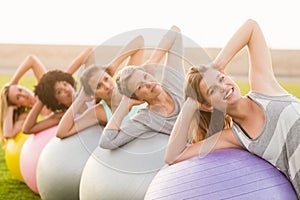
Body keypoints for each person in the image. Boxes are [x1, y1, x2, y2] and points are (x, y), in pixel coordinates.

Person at [164, 19, 300, 198]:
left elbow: (251, 27)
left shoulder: (264, 88)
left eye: (221, 78)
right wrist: (189, 105)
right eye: (212, 90)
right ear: (207, 106)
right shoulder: (235, 137)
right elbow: (173, 156)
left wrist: (216, 65)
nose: (223, 87)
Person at [99, 25, 185, 150]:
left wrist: (153, 61)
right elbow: (106, 142)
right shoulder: (145, 119)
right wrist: (124, 105)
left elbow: (175, 32)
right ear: (137, 98)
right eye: (140, 86)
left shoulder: (173, 81)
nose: (149, 83)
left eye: (145, 76)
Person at [55, 35, 146, 138]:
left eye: (106, 79)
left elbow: (139, 41)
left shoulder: (128, 83)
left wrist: (114, 65)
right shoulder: (99, 112)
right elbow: (61, 132)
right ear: (94, 94)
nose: (107, 86)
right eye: (98, 86)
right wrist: (80, 99)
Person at [21, 48, 93, 134]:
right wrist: (43, 97)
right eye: (59, 92)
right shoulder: (62, 116)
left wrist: (63, 76)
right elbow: (27, 129)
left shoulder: (86, 90)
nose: (66, 89)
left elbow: (89, 52)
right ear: (56, 101)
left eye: (65, 84)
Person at [0, 55, 50, 142]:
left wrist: (13, 82)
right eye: (18, 97)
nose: (24, 94)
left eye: (20, 89)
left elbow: (32, 60)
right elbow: (8, 134)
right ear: (18, 105)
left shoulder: (44, 88)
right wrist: (10, 107)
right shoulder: (26, 117)